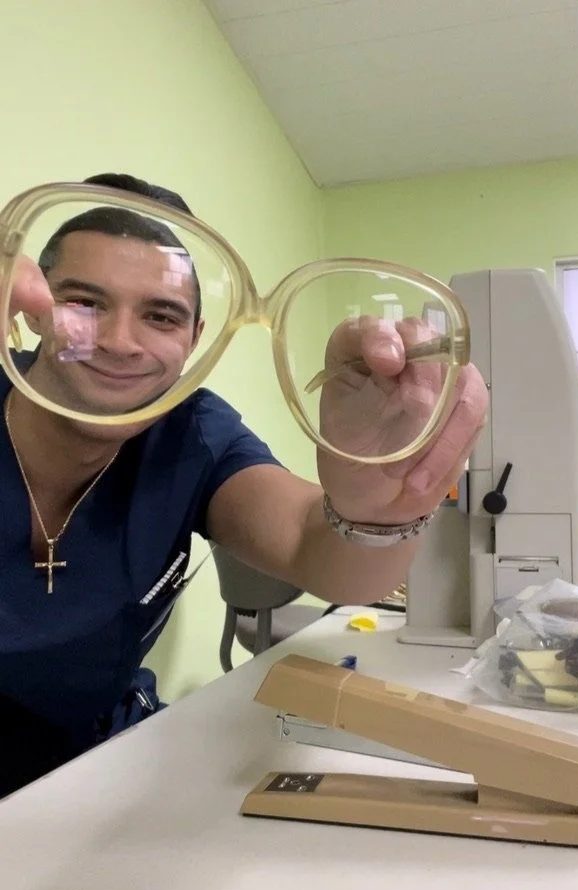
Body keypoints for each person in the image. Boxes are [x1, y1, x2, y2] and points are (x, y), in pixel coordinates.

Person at [0, 172, 488, 797]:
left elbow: (325, 558)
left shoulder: (193, 432)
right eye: (86, 302)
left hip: (95, 767)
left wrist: (380, 500)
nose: (121, 341)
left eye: (161, 315)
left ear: (195, 339)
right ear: (37, 310)